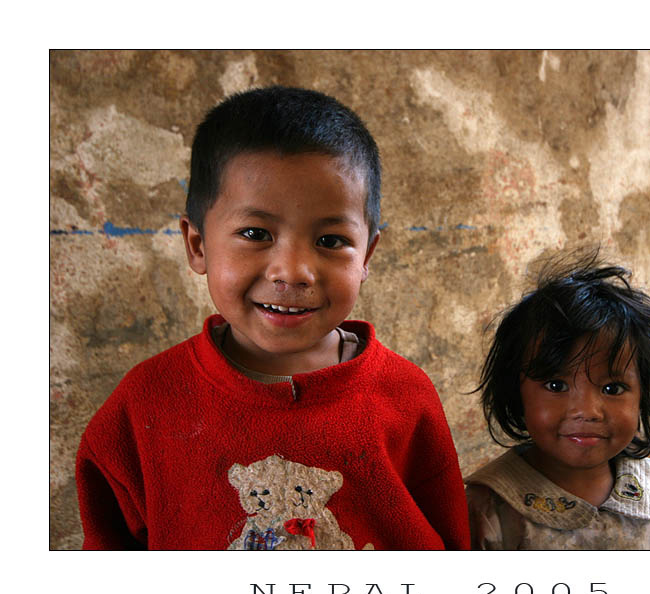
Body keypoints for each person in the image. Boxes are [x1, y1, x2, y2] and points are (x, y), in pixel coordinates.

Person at [75, 86, 470, 550]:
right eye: (256, 233)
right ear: (197, 245)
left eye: (330, 241)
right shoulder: (146, 404)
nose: (293, 271)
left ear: (367, 254)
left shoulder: (406, 397)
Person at [466, 250, 650, 550]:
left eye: (613, 389)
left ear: (643, 394)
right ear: (515, 393)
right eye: (556, 385)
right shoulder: (490, 507)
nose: (587, 411)